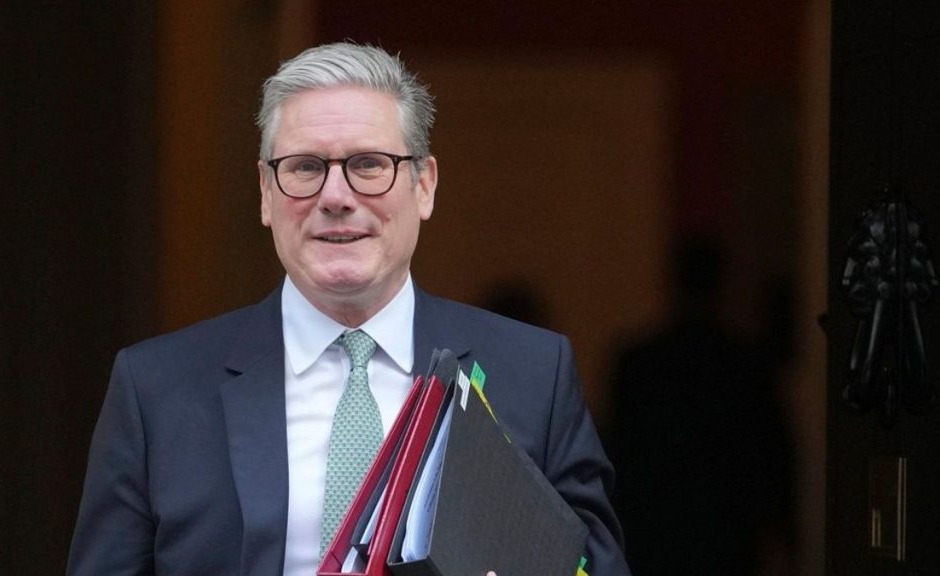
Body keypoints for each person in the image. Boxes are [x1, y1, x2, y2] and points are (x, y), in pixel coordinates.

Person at [67, 42, 629, 576]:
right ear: (266, 192)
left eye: (368, 164)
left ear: (425, 186)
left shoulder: (533, 375)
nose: (335, 197)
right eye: (305, 167)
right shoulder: (157, 389)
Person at [603, 237, 794, 576]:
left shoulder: (639, 364)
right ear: (721, 285)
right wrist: (785, 532)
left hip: (654, 537)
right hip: (726, 540)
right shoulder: (745, 366)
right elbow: (774, 456)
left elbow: (616, 453)